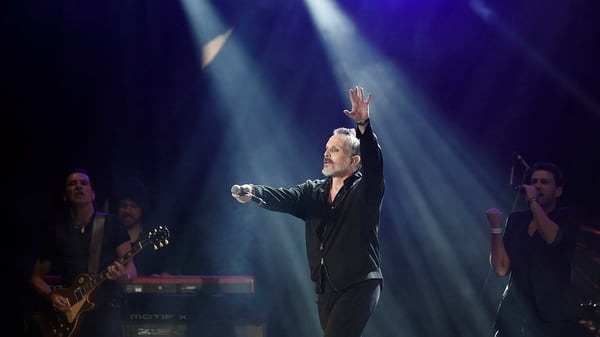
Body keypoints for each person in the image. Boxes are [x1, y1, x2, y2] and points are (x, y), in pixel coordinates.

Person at [231, 86, 384, 337]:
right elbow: (285, 197)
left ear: (354, 161)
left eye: (335, 150)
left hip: (359, 283)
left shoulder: (365, 190)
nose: (326, 153)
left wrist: (363, 125)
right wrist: (253, 191)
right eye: (326, 149)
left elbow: (374, 164)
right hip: (326, 289)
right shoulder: (313, 191)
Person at [486, 161, 590, 337]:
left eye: (544, 182)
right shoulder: (517, 220)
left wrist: (533, 201)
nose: (537, 186)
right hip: (514, 311)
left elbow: (553, 238)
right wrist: (495, 229)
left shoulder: (566, 216)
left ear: (558, 191)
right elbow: (501, 268)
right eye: (534, 182)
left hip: (551, 317)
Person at [30, 168, 137, 337]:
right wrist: (51, 295)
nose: (78, 187)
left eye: (84, 183)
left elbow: (131, 271)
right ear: (65, 195)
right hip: (69, 316)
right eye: (72, 184)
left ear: (92, 194)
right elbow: (36, 277)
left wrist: (122, 276)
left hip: (105, 314)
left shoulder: (112, 224)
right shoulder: (56, 232)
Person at [115, 178, 171, 275]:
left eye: (133, 206)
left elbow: (166, 272)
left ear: (141, 209)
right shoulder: (110, 237)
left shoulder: (153, 238)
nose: (127, 211)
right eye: (124, 206)